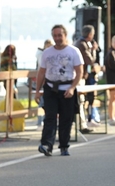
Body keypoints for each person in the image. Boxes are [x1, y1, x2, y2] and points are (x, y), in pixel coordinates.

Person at [35, 24, 84, 156]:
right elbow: (41, 73)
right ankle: (47, 144)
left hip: (67, 88)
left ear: (65, 36)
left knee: (66, 118)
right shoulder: (47, 53)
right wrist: (38, 91)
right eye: (55, 36)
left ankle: (64, 145)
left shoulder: (73, 51)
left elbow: (79, 72)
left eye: (59, 35)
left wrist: (72, 88)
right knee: (50, 117)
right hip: (51, 88)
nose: (57, 38)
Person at [73, 25, 100, 133]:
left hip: (80, 76)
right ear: (90, 35)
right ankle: (82, 125)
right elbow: (90, 60)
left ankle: (82, 123)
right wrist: (93, 50)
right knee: (80, 101)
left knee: (81, 101)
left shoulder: (79, 43)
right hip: (79, 76)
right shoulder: (82, 45)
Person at [35, 39, 54, 128]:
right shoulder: (42, 55)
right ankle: (40, 121)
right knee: (42, 103)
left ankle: (46, 121)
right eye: (48, 45)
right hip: (43, 81)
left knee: (47, 104)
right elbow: (41, 69)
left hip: (49, 82)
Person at [104, 35, 115, 125]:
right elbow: (112, 66)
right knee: (112, 98)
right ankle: (111, 118)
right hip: (112, 80)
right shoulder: (111, 53)